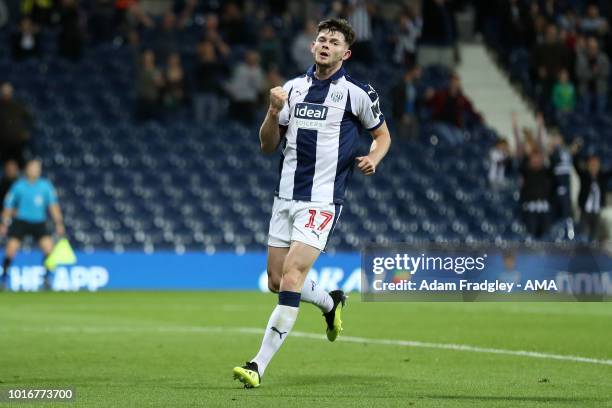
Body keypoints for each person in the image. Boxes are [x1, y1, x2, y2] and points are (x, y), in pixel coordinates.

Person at [233, 18, 391, 388]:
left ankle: (257, 365)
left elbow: (382, 136)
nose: (325, 44)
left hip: (322, 200)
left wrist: (374, 157)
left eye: (334, 42)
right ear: (312, 46)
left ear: (345, 53)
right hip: (285, 197)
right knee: (276, 281)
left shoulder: (357, 93)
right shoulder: (291, 89)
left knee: (292, 276)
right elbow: (267, 145)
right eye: (321, 39)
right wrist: (272, 112)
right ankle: (330, 303)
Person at [1, 159, 65, 290]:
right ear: (27, 169)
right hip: (21, 221)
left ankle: (47, 279)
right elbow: (8, 206)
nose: (35, 170)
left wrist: (59, 223)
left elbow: (53, 206)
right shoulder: (18, 186)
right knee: (11, 250)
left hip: (39, 222)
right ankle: (3, 279)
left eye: (37, 168)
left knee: (49, 249)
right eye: (33, 167)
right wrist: (4, 223)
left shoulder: (45, 186)